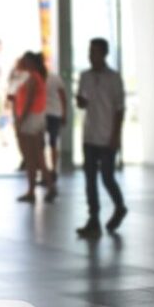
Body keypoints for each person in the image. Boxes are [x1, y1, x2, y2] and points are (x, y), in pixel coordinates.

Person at [76, 38, 128, 236]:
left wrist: (116, 135)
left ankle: (119, 206)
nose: (92, 56)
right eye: (90, 52)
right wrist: (80, 101)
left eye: (95, 52)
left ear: (104, 54)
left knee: (107, 176)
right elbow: (82, 103)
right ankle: (93, 218)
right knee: (90, 179)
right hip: (89, 135)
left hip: (107, 136)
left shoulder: (114, 78)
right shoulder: (85, 76)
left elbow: (119, 108)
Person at [15, 52, 56, 203]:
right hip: (35, 118)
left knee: (33, 157)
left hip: (31, 119)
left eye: (24, 60)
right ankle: (39, 189)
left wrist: (21, 120)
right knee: (36, 157)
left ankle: (38, 189)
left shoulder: (32, 77)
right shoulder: (34, 76)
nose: (21, 62)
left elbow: (28, 101)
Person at [45, 70, 67, 179]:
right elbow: (63, 97)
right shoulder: (43, 78)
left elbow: (63, 97)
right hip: (47, 114)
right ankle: (48, 170)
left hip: (53, 113)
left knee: (52, 143)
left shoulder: (54, 78)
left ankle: (53, 170)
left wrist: (64, 113)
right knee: (48, 143)